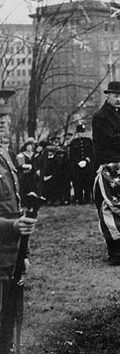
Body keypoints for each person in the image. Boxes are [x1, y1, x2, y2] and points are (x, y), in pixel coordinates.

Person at [0, 90, 38, 353]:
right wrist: (12, 227)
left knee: (9, 327)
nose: (4, 122)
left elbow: (14, 205)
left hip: (10, 258)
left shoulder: (6, 156)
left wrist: (23, 252)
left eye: (5, 117)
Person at [68, 124, 94, 204]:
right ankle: (79, 199)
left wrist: (86, 160)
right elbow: (72, 155)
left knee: (87, 182)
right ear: (77, 133)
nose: (81, 134)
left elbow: (92, 153)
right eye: (80, 132)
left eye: (83, 132)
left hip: (87, 166)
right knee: (78, 183)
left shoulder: (89, 141)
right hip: (77, 166)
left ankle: (88, 199)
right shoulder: (73, 142)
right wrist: (78, 162)